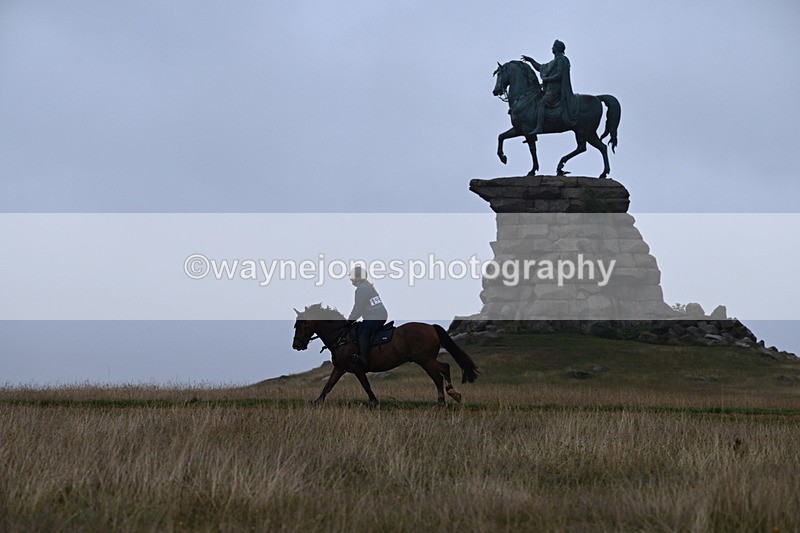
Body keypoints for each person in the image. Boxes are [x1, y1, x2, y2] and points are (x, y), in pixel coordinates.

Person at [522, 39, 579, 135]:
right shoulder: (554, 62)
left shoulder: (562, 60)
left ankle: (539, 127)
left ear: (557, 49)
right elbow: (540, 68)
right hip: (550, 89)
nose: (552, 48)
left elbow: (559, 75)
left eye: (553, 47)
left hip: (556, 90)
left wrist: (546, 79)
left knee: (542, 103)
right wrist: (531, 60)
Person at [347, 266, 388, 366]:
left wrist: (349, 320)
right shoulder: (367, 286)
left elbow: (358, 308)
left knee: (362, 334)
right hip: (378, 315)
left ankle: (364, 359)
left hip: (375, 317)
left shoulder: (361, 289)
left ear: (357, 277)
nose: (350, 279)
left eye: (352, 277)